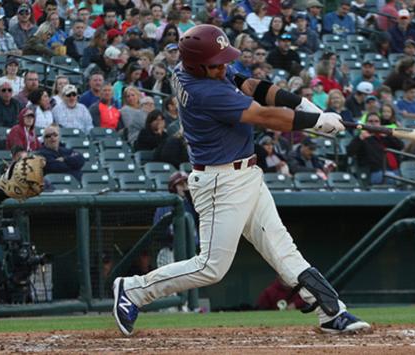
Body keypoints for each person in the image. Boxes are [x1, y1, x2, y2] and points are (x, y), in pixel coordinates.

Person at [112, 24, 369, 337]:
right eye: (216, 63)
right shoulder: (205, 91)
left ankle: (330, 311)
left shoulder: (201, 66)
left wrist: (298, 103)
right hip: (221, 183)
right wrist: (316, 122)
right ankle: (133, 290)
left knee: (282, 248)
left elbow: (250, 84)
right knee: (211, 266)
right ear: (198, 64)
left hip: (246, 174)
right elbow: (264, 116)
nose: (223, 67)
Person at [347, 112, 404, 184]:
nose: (373, 123)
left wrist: (388, 136)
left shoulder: (385, 136)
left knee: (407, 177)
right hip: (373, 172)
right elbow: (350, 152)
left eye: (376, 121)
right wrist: (360, 138)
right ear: (366, 123)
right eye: (370, 121)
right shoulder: (362, 137)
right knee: (392, 177)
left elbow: (400, 146)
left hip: (393, 169)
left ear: (380, 124)